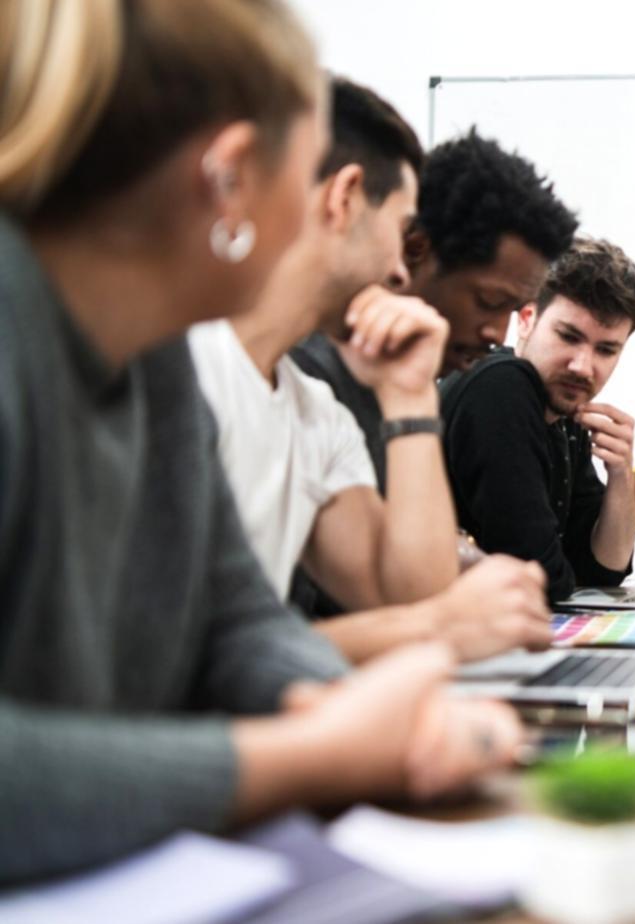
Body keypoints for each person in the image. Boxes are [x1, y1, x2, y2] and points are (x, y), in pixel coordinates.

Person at [0, 0, 522, 883]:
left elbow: (233, 616)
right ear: (233, 175)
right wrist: (315, 752)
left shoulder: (154, 355)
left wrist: (362, 713)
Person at [189, 77, 550, 662]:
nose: (400, 270)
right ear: (346, 197)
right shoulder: (180, 367)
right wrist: (434, 630)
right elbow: (178, 664)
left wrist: (410, 398)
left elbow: (408, 595)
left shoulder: (311, 410)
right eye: (401, 227)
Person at [290, 129, 578, 487]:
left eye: (513, 310)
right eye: (488, 302)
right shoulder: (312, 380)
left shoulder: (405, 384)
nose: (496, 334)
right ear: (415, 250)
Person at [440, 238, 635, 603]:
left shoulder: (565, 412)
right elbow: (541, 579)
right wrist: (561, 569)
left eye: (606, 349)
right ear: (526, 320)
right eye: (568, 337)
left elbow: (605, 569)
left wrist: (621, 474)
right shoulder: (502, 386)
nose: (582, 366)